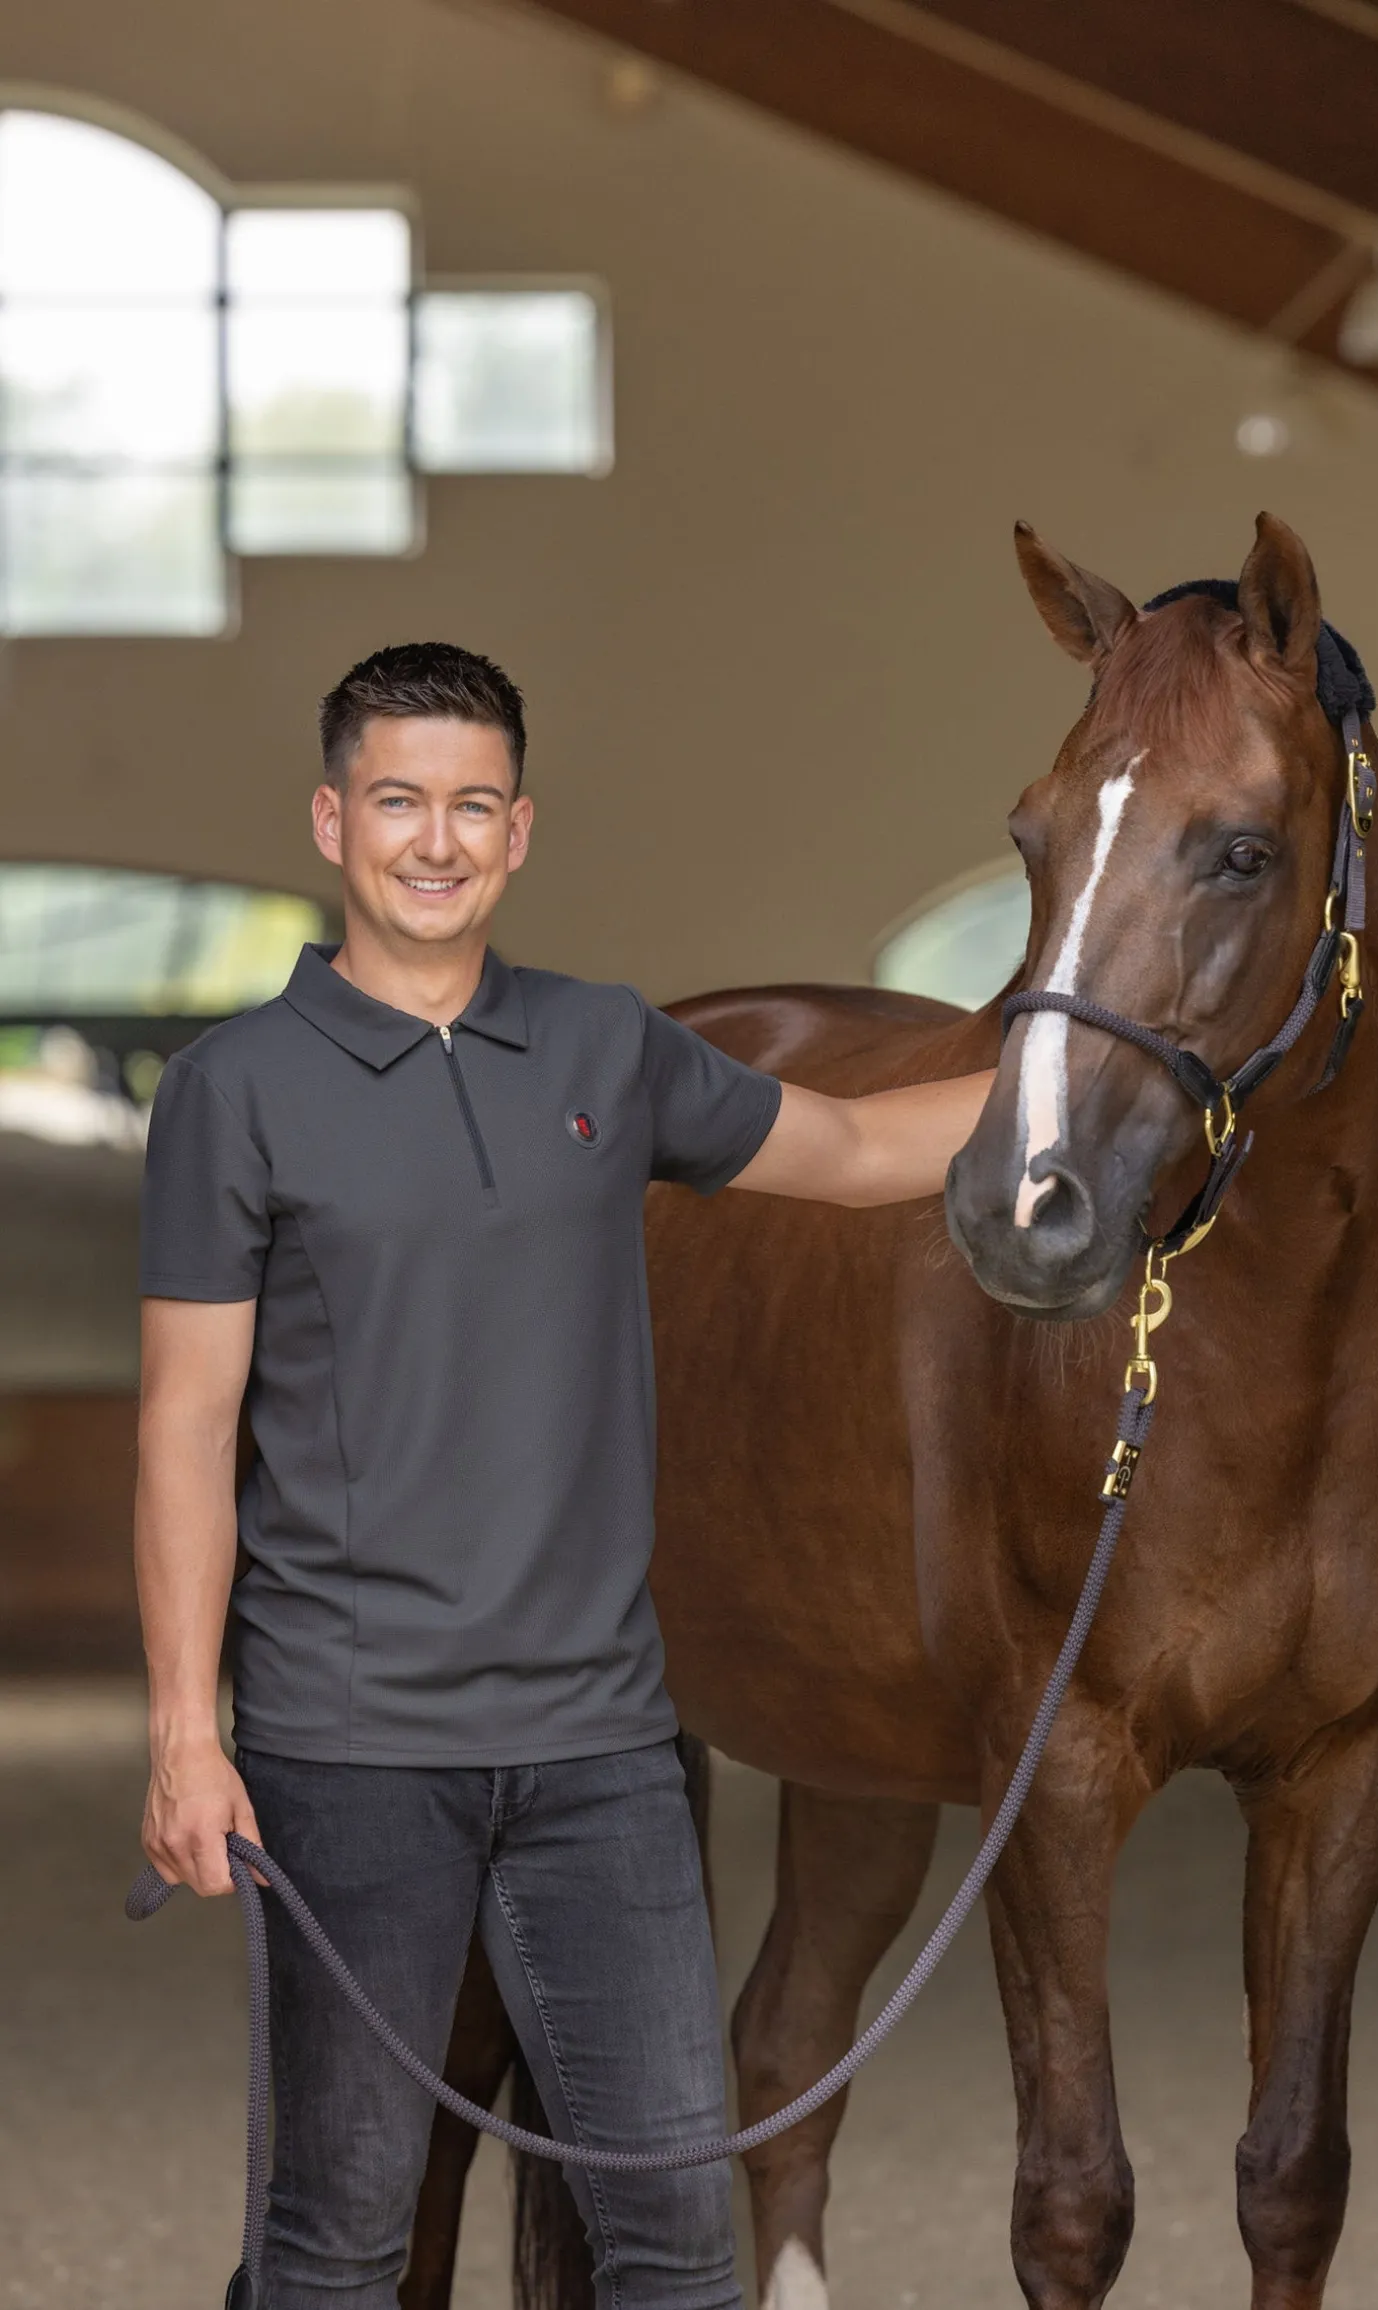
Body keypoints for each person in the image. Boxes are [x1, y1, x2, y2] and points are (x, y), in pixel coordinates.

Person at [135, 642, 993, 2310]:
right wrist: (186, 1731)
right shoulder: (231, 1090)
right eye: (399, 800)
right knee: (336, 2242)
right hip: (350, 1747)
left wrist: (1112, 1080)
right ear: (333, 818)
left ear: (518, 831)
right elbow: (182, 1419)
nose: (434, 840)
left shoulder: (608, 1051)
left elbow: (864, 1149)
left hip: (603, 1759)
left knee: (674, 2242)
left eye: (471, 804)